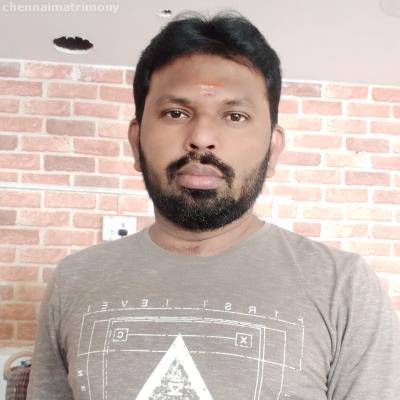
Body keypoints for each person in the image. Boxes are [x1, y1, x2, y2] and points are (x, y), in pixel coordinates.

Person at [27, 11, 400, 400]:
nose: (202, 137)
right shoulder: (74, 280)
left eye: (235, 116)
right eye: (176, 113)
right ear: (136, 142)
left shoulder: (343, 288)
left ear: (273, 149)